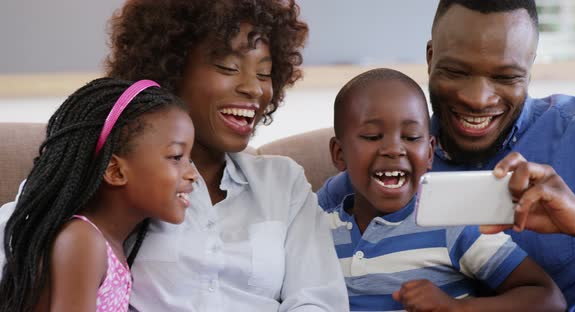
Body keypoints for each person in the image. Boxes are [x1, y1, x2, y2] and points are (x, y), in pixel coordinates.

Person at [317, 1, 575, 310]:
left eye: (506, 77)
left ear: (530, 66)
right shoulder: (382, 176)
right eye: (456, 72)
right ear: (431, 58)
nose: (478, 99)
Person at [104, 0, 347, 311]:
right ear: (171, 69)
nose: (254, 89)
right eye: (228, 67)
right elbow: (37, 225)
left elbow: (318, 300)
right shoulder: (121, 174)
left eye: (264, 73)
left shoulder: (283, 182)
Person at [324, 67, 565, 312]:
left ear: (429, 153)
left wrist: (456, 308)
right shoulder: (314, 230)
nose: (394, 149)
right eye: (373, 136)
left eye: (410, 137)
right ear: (339, 153)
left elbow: (548, 299)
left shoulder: (454, 224)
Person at [0, 77, 199, 311]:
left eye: (190, 158)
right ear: (115, 171)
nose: (193, 173)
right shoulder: (83, 240)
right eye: (176, 157)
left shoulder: (103, 243)